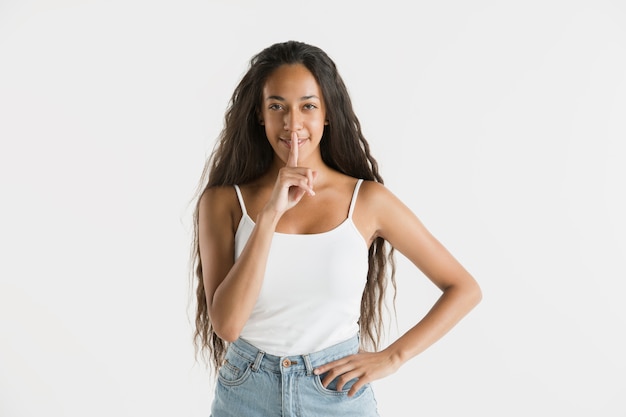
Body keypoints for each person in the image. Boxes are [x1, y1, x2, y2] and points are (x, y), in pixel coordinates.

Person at [190, 40, 482, 416]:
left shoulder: (368, 201)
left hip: (336, 392)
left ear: (327, 114)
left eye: (307, 106)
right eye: (276, 106)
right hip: (247, 392)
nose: (291, 123)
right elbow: (227, 326)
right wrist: (269, 215)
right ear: (259, 115)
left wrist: (392, 357)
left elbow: (463, 288)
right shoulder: (223, 202)